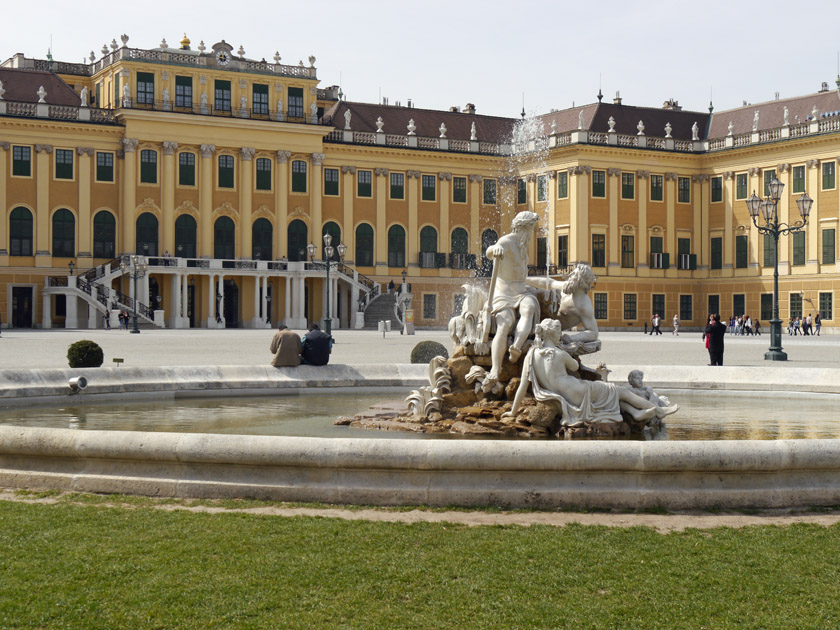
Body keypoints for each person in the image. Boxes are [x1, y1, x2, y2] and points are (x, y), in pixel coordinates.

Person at [503, 319, 678, 426]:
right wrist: (567, 349)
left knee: (611, 394)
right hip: (578, 392)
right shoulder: (559, 354)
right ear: (553, 335)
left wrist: (513, 411)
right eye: (558, 333)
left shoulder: (531, 355)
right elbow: (575, 367)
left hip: (563, 396)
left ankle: (636, 413)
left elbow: (522, 387)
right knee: (620, 391)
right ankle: (658, 410)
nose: (560, 336)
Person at [482, 210, 541, 387]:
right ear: (524, 228)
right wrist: (495, 249)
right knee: (505, 322)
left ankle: (516, 346)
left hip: (521, 292)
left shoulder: (523, 245)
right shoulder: (506, 241)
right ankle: (495, 368)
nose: (532, 233)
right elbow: (489, 252)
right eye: (531, 228)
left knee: (529, 308)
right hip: (503, 294)